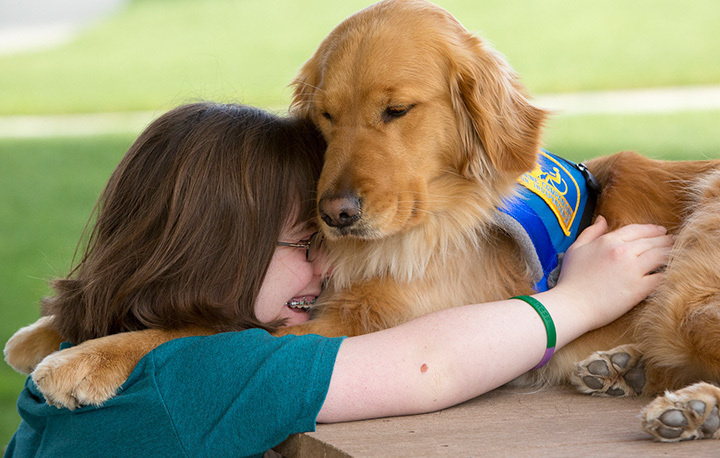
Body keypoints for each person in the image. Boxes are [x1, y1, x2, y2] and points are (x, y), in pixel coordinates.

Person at [4, 102, 673, 457]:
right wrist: (577, 302)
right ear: (213, 253)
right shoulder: (201, 376)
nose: (328, 269)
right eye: (307, 244)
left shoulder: (90, 365)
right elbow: (425, 366)